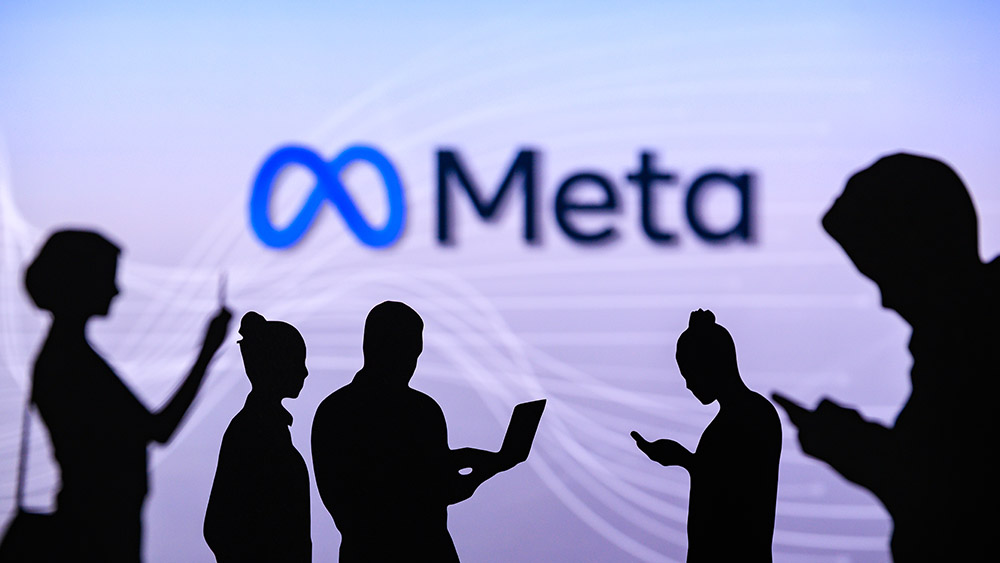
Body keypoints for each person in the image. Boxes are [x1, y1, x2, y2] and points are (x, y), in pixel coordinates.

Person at [772, 153, 999, 560]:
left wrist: (854, 447)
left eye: (889, 276)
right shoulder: (954, 345)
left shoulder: (968, 351)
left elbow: (949, 496)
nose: (887, 301)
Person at [23, 229, 231, 561]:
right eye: (107, 277)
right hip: (96, 535)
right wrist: (207, 352)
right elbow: (159, 429)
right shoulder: (73, 364)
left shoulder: (64, 357)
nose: (116, 291)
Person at [311, 301, 516, 562]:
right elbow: (427, 490)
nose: (411, 363)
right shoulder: (421, 410)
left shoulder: (333, 410)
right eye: (407, 351)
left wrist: (457, 465)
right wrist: (477, 473)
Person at [632, 309, 780, 562]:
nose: (688, 384)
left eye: (690, 374)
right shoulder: (732, 422)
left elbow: (738, 493)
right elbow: (718, 476)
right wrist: (684, 459)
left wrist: (687, 461)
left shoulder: (752, 415)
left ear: (712, 365)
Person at [204, 311, 311, 562]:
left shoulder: (256, 428)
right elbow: (218, 525)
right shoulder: (249, 432)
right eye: (297, 361)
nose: (305, 372)